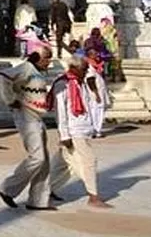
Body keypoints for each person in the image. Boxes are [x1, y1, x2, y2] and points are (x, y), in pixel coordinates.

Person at [0, 43, 55, 211]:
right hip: (27, 118)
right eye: (46, 59)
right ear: (37, 58)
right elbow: (2, 77)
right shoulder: (26, 68)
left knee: (44, 162)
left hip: (37, 117)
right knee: (38, 157)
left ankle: (38, 200)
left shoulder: (36, 72)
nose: (48, 63)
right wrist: (10, 99)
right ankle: (8, 188)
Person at [50, 53, 112, 209]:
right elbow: (61, 112)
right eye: (82, 69)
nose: (85, 72)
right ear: (73, 68)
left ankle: (44, 189)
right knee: (89, 161)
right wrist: (64, 134)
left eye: (86, 69)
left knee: (63, 165)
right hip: (73, 131)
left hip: (83, 128)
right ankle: (93, 196)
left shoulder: (80, 82)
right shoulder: (62, 84)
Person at [82, 49, 112, 138]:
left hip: (98, 92)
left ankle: (95, 129)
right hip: (94, 94)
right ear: (90, 55)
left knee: (97, 111)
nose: (97, 56)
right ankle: (96, 130)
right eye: (94, 54)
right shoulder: (89, 67)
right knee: (96, 111)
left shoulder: (95, 66)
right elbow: (90, 81)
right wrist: (96, 94)